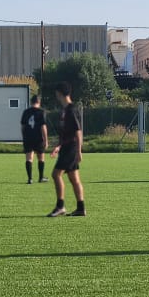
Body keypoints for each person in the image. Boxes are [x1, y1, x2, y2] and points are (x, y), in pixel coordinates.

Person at [47, 82, 86, 217]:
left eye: (56, 93)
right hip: (66, 147)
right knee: (74, 178)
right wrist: (58, 146)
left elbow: (78, 132)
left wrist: (79, 151)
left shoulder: (71, 110)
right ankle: (81, 208)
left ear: (59, 93)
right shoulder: (64, 110)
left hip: (71, 148)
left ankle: (60, 206)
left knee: (56, 174)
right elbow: (65, 133)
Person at [20, 94, 48, 184]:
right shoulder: (41, 112)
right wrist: (46, 140)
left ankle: (30, 179)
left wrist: (24, 137)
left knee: (29, 158)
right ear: (39, 102)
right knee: (41, 157)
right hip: (38, 138)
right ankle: (41, 177)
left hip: (28, 137)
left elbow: (23, 126)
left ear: (31, 102)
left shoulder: (26, 112)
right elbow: (43, 127)